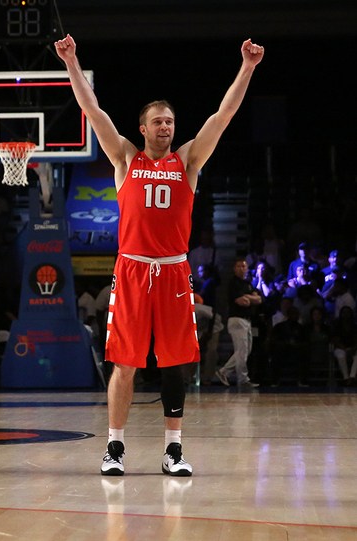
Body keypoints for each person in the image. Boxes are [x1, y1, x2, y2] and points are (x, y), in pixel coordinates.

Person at [55, 33, 264, 477]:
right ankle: (114, 448)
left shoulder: (187, 162)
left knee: (175, 363)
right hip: (131, 270)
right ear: (143, 129)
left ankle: (173, 450)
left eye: (170, 121)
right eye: (159, 122)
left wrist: (246, 68)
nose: (166, 127)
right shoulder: (125, 159)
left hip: (172, 273)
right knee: (125, 362)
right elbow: (93, 110)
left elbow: (222, 116)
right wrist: (72, 61)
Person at [216, 259, 262, 389]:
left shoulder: (247, 283)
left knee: (245, 351)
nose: (242, 268)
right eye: (239, 266)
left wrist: (248, 297)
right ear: (234, 268)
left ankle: (223, 372)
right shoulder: (233, 283)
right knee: (241, 350)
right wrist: (249, 298)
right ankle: (243, 379)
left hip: (247, 320)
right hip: (237, 319)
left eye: (244, 266)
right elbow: (243, 302)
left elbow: (258, 299)